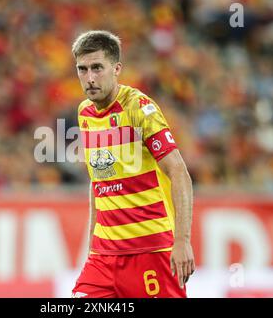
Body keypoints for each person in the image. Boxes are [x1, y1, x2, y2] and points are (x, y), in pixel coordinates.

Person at [71, 30, 195, 298]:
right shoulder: (85, 113)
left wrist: (182, 240)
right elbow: (98, 185)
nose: (89, 77)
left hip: (149, 251)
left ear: (116, 69)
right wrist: (92, 247)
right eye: (82, 69)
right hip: (103, 257)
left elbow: (180, 173)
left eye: (97, 68)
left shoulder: (138, 108)